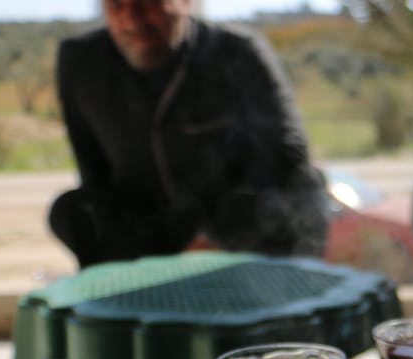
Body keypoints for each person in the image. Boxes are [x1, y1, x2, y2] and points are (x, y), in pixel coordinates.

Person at [48, 0, 329, 268]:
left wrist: (217, 240)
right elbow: (93, 175)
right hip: (146, 232)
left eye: (147, 2)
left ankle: (285, 300)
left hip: (234, 229)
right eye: (116, 5)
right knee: (74, 211)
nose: (131, 19)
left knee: (306, 187)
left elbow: (287, 155)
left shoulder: (237, 52)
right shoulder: (80, 61)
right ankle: (117, 302)